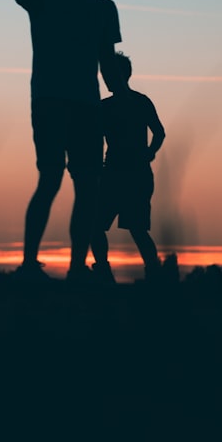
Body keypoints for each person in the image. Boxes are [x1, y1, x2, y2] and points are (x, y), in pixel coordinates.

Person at [6, 0, 121, 282]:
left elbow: (107, 60)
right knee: (52, 179)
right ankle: (29, 264)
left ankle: (75, 268)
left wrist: (121, 100)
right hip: (51, 100)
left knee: (87, 186)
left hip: (85, 103)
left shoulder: (103, 7)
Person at [90, 52, 165, 283]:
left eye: (110, 74)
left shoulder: (139, 102)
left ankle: (153, 274)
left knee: (136, 229)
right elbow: (94, 140)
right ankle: (104, 270)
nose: (106, 78)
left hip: (133, 174)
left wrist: (150, 152)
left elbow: (159, 133)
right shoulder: (105, 107)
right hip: (114, 173)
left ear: (124, 75)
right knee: (97, 225)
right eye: (104, 74)